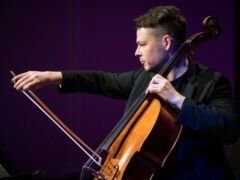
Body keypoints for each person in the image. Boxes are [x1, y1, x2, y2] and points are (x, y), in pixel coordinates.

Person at [12, 5, 239, 179]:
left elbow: (229, 128)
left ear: (167, 42)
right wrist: (53, 76)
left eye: (142, 44)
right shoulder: (144, 77)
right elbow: (102, 81)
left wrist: (177, 99)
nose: (136, 52)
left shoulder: (212, 82)